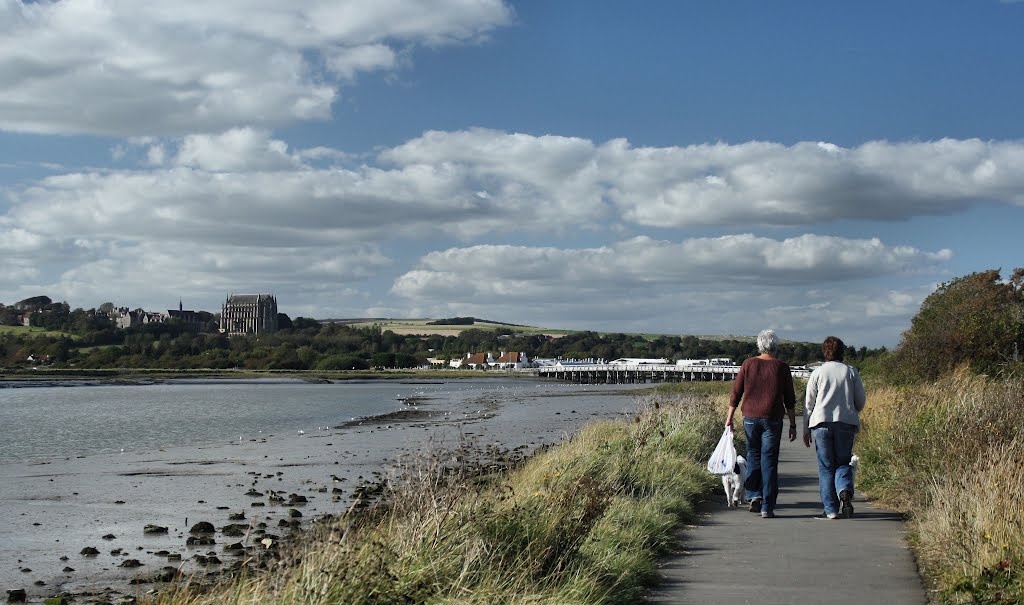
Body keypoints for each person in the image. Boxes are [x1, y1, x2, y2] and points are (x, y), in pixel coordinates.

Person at [725, 329, 797, 518]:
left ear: (759, 345)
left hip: (750, 417)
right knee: (770, 460)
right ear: (775, 346)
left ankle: (754, 496)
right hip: (772, 419)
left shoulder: (748, 364)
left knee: (753, 455)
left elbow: (736, 393)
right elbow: (789, 398)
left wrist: (729, 418)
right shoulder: (782, 367)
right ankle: (767, 505)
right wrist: (792, 424)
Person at [802, 336, 867, 519]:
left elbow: (809, 404)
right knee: (842, 462)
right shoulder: (851, 372)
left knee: (825, 467)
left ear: (825, 352)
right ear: (842, 352)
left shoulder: (818, 373)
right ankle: (844, 490)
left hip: (821, 423)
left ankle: (830, 509)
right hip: (845, 422)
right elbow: (860, 401)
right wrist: (853, 409)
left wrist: (806, 429)